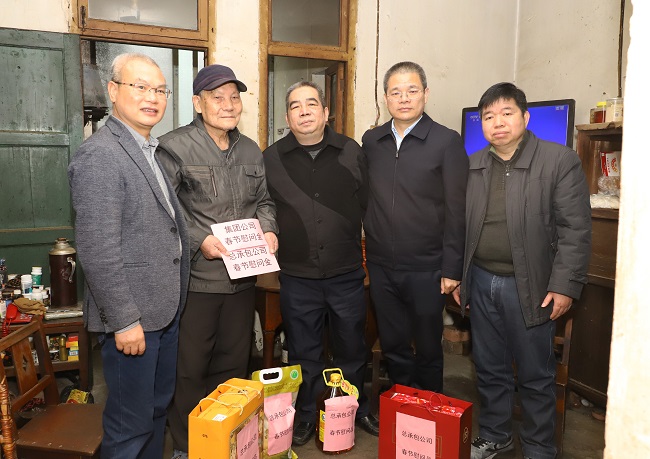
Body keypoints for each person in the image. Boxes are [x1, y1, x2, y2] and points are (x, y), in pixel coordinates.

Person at [452, 82, 591, 459]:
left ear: (525, 117)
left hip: (532, 286)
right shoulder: (474, 165)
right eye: (488, 116)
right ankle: (496, 434)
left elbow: (575, 229)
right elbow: (461, 227)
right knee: (488, 367)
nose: (497, 123)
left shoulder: (558, 161)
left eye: (506, 113)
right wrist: (462, 276)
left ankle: (539, 447)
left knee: (535, 373)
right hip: (481, 280)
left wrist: (565, 286)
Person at [68, 53, 190, 459]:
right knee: (129, 427)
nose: (152, 97)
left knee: (154, 413)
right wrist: (123, 320)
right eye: (140, 87)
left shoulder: (149, 150)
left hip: (162, 313)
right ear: (113, 90)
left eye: (160, 90)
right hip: (132, 320)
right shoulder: (101, 155)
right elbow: (98, 249)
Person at [156, 64, 278, 458]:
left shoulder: (251, 149)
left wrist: (269, 230)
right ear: (198, 103)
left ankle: (223, 441)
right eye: (217, 97)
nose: (228, 105)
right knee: (190, 369)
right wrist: (199, 240)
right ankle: (188, 447)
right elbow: (163, 211)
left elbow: (264, 202)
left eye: (234, 97)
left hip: (242, 281)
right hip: (197, 281)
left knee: (233, 364)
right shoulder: (173, 148)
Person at [263, 81, 378, 446]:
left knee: (351, 349)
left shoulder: (350, 151)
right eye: (295, 106)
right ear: (287, 117)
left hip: (346, 273)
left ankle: (352, 410)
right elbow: (265, 207)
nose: (304, 111)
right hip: (297, 276)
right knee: (303, 353)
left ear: (326, 112)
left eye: (311, 104)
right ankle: (307, 415)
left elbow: (365, 202)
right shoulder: (271, 157)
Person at [362, 61, 469, 392]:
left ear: (425, 93)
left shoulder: (446, 141)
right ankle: (402, 406)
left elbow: (457, 210)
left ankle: (429, 410)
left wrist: (452, 268)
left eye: (412, 90)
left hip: (428, 268)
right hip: (382, 266)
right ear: (385, 98)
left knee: (427, 349)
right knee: (393, 345)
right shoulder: (372, 141)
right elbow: (365, 197)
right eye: (396, 92)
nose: (404, 98)